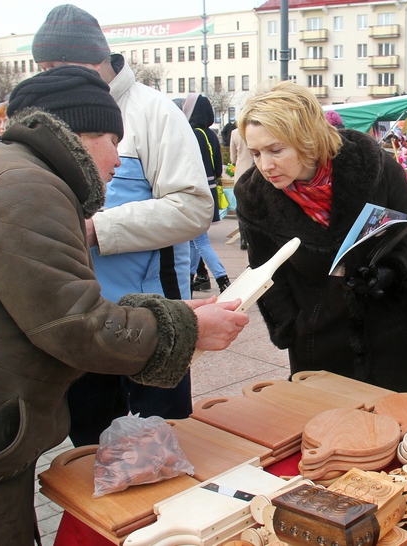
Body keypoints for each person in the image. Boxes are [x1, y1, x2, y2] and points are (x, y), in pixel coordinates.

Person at [0, 65, 248, 546]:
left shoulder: (10, 172)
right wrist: (190, 331)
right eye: (115, 140)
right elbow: (75, 322)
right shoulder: (25, 185)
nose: (119, 160)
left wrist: (183, 315)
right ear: (82, 133)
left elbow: (51, 302)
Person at [32, 4, 215, 446]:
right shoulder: (44, 115)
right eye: (42, 68)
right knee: (92, 445)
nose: (48, 77)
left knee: (161, 445)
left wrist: (98, 230)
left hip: (153, 316)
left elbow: (193, 207)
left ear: (96, 58)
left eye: (58, 66)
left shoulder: (154, 112)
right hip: (82, 319)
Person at [235, 81, 407, 392]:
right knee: (330, 436)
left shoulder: (371, 162)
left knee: (404, 429)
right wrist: (295, 327)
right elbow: (266, 274)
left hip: (390, 331)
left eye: (275, 150)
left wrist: (391, 269)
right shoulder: (255, 197)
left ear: (307, 138)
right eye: (255, 153)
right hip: (319, 346)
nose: (265, 165)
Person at [181, 92, 231, 293]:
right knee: (194, 241)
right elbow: (218, 168)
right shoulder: (210, 134)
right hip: (210, 189)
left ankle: (222, 278)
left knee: (199, 241)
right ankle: (191, 278)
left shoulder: (191, 134)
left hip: (195, 190)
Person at [230, 126, 254, 250]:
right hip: (255, 172)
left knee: (241, 207)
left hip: (240, 172)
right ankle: (253, 238)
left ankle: (243, 238)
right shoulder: (258, 129)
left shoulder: (234, 133)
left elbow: (232, 158)